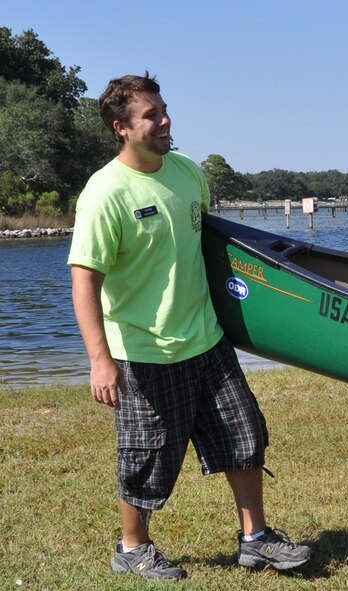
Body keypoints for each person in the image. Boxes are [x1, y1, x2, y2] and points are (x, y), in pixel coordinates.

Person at [68, 72, 312, 581]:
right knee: (147, 453)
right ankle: (132, 548)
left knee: (243, 434)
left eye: (164, 109)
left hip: (206, 338)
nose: (165, 120)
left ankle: (256, 540)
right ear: (121, 128)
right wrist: (99, 359)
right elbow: (84, 280)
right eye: (150, 115)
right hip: (144, 350)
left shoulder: (186, 172)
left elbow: (216, 249)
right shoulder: (104, 194)